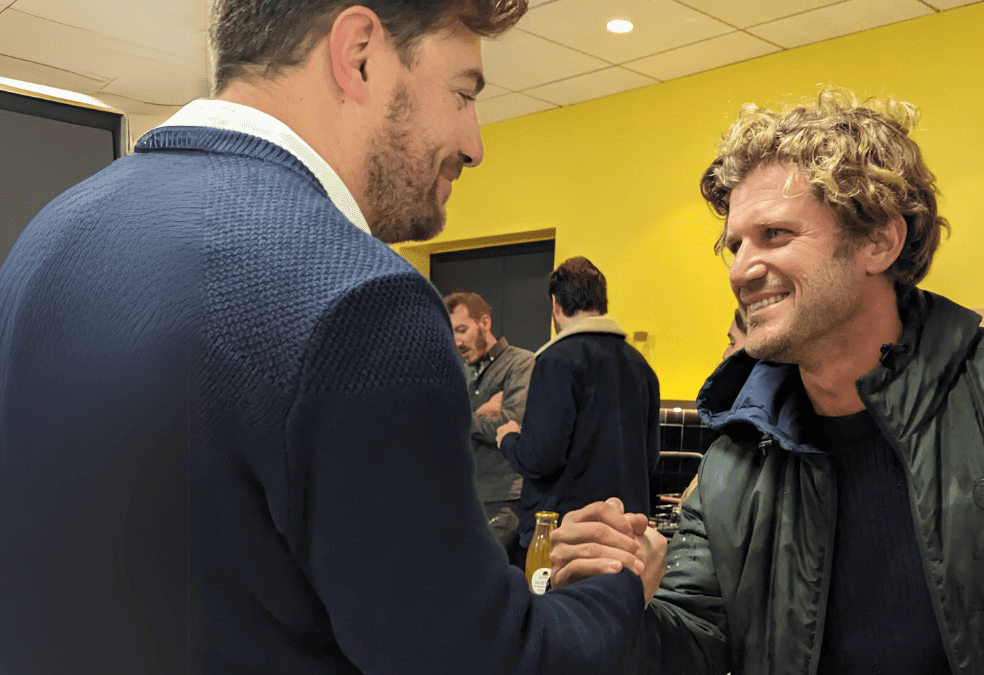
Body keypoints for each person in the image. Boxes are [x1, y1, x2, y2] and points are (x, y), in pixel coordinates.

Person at [0, 1, 660, 672]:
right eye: (463, 94)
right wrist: (616, 585)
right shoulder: (362, 301)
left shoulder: (42, 243)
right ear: (359, 53)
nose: (475, 143)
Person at [549, 88, 984, 674]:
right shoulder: (734, 468)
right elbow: (688, 643)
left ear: (879, 242)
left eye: (774, 234)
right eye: (734, 244)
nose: (742, 269)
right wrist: (614, 604)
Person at [495, 256, 661, 562]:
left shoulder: (556, 361)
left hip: (567, 538)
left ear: (556, 305)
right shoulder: (641, 366)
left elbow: (541, 458)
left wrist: (508, 438)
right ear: (602, 303)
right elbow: (649, 461)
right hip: (624, 536)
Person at [445, 291, 535, 563]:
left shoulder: (521, 363)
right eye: (453, 333)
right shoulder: (459, 369)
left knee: (475, 566)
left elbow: (511, 423)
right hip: (462, 494)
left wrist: (461, 416)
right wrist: (477, 414)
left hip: (504, 498)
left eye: (463, 330)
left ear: (484, 323)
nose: (458, 342)